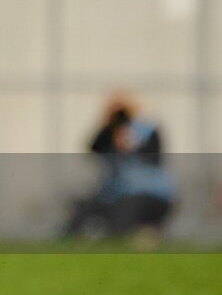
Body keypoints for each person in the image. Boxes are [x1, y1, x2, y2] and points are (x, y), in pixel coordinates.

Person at [65, 94, 175, 238]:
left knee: (121, 225)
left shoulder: (147, 130)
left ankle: (143, 235)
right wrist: (109, 127)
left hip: (148, 194)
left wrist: (133, 145)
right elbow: (93, 147)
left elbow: (156, 158)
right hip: (117, 194)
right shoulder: (109, 133)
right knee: (84, 208)